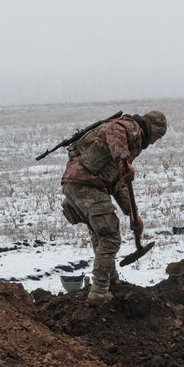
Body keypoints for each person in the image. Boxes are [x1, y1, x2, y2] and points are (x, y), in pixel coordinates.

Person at [60, 111, 169, 302]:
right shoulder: (130, 128)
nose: (155, 142)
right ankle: (99, 292)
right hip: (87, 185)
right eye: (157, 137)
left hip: (76, 185)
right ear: (152, 129)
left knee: (100, 234)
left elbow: (118, 184)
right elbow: (114, 129)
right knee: (110, 237)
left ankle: (111, 280)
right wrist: (123, 160)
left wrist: (132, 214)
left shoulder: (131, 142)